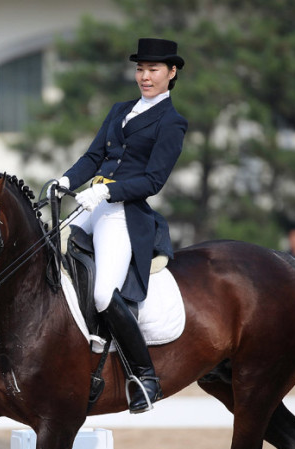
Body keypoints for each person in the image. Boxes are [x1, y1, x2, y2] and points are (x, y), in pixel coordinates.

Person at [51, 38, 188, 414]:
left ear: (171, 72)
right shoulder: (120, 110)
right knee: (47, 257)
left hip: (122, 212)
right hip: (91, 203)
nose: (145, 76)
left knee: (102, 294)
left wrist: (108, 192)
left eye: (153, 70)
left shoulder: (172, 122)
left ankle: (145, 377)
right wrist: (66, 180)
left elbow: (153, 181)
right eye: (140, 69)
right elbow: (94, 155)